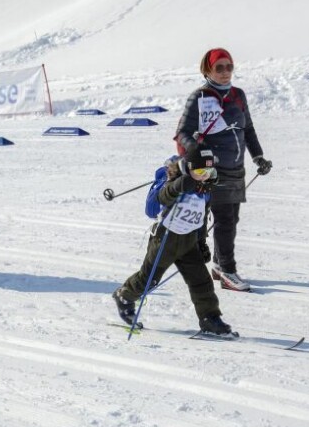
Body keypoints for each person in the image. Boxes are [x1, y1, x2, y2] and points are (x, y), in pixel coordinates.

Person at [174, 48, 272, 292]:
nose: (225, 72)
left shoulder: (238, 95)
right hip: (212, 170)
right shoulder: (199, 97)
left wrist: (258, 156)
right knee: (225, 220)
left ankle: (218, 264)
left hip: (236, 168)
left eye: (229, 67)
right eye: (219, 67)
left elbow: (247, 129)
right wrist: (195, 150)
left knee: (231, 219)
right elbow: (182, 132)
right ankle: (228, 271)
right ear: (207, 69)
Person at [112, 147, 235, 337]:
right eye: (201, 172)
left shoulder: (204, 187)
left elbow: (201, 216)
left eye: (210, 172)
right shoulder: (170, 179)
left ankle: (209, 318)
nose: (205, 177)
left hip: (189, 241)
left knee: (201, 281)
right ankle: (124, 296)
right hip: (165, 239)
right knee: (148, 279)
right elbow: (152, 208)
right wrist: (176, 187)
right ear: (189, 168)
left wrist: (201, 242)